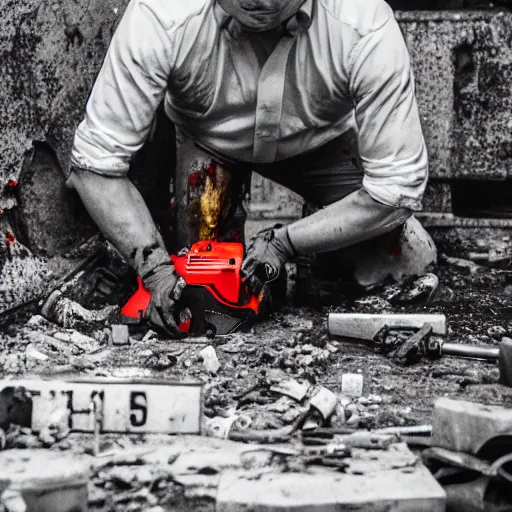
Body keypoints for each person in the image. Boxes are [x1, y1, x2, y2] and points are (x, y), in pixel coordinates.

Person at [67, 0, 436, 337]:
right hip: (211, 144)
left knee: (410, 262)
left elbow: (395, 191)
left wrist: (287, 243)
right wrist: (156, 270)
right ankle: (249, 271)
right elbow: (93, 165)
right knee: (204, 297)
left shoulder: (364, 22)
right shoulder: (162, 14)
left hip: (322, 144)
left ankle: (323, 252)